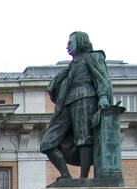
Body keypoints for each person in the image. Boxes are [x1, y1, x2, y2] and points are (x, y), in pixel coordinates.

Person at [41, 31, 114, 181]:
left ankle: (83, 178)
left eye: (70, 42)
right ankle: (66, 175)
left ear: (80, 42)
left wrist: (102, 97)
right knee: (47, 143)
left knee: (84, 138)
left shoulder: (93, 57)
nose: (67, 46)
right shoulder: (70, 67)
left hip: (85, 98)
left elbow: (102, 78)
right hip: (67, 103)